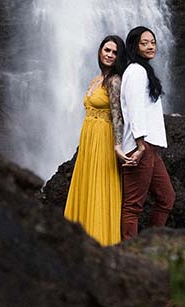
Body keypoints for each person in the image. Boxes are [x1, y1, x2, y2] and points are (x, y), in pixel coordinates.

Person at [63, 35, 131, 246]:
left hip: (103, 139)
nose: (109, 55)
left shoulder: (114, 81)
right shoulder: (96, 79)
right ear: (100, 51)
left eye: (114, 52)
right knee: (87, 184)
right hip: (89, 139)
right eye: (106, 50)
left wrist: (118, 146)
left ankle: (100, 240)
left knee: (100, 186)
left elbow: (118, 115)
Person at [119, 26, 175, 240]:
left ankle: (149, 245)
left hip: (149, 147)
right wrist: (140, 145)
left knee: (167, 198)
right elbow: (134, 109)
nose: (151, 46)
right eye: (145, 43)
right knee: (133, 206)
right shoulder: (135, 71)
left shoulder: (143, 71)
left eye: (152, 41)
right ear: (134, 46)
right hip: (139, 147)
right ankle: (129, 253)